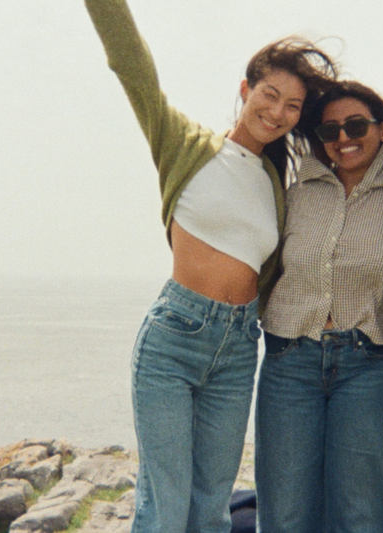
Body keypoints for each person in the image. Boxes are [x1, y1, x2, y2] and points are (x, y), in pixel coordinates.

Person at [83, 2, 337, 533]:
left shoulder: (278, 185)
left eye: (293, 106)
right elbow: (132, 66)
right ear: (245, 89)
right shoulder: (185, 144)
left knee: (211, 508)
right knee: (165, 504)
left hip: (239, 348)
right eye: (269, 94)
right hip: (175, 338)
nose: (277, 111)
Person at [254, 80, 383, 533]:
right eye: (330, 131)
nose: (344, 138)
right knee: (285, 514)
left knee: (363, 515)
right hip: (290, 362)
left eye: (355, 125)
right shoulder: (296, 189)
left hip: (370, 364)